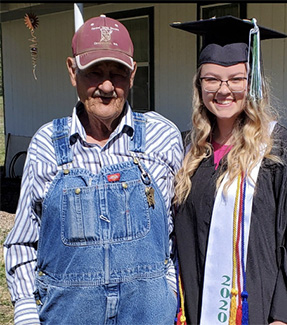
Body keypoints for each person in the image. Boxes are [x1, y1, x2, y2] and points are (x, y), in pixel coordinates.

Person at [4, 15, 183, 324]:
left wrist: (169, 290)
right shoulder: (47, 143)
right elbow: (22, 242)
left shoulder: (162, 137)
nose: (106, 85)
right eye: (94, 72)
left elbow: (180, 232)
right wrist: (27, 314)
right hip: (67, 315)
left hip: (149, 315)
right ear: (73, 71)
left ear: (133, 73)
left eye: (117, 72)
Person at [172, 16, 287, 325]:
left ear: (253, 84)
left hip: (258, 313)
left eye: (236, 78)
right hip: (194, 311)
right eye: (212, 79)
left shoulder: (282, 150)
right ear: (200, 85)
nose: (224, 90)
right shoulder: (188, 151)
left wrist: (286, 318)